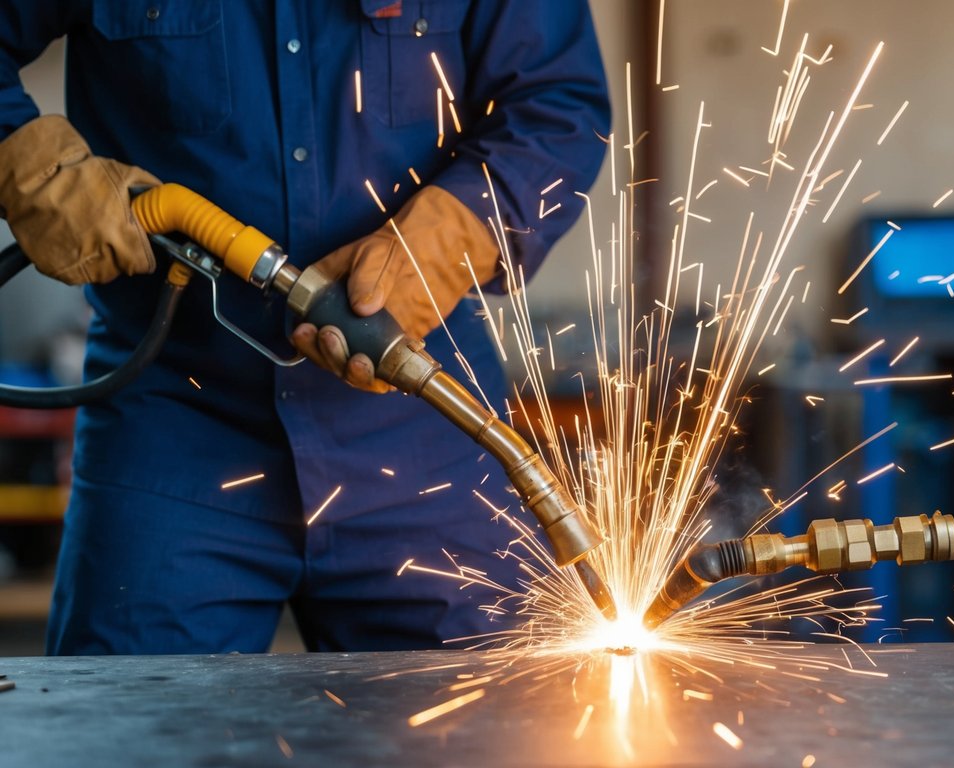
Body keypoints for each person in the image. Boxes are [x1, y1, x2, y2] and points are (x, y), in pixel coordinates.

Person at [0, 1, 609, 653]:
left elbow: (557, 101)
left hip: (423, 429)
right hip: (172, 426)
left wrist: (448, 235)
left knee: (488, 711)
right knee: (130, 705)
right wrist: (29, 165)